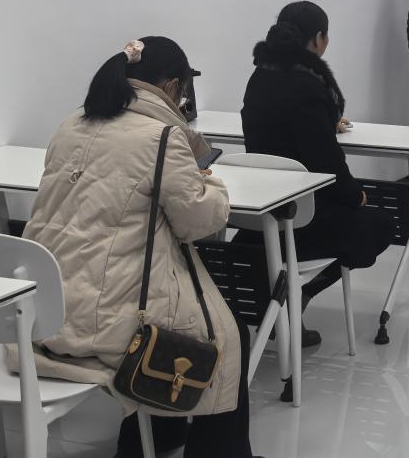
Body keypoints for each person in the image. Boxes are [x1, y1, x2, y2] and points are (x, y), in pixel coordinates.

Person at [23, 37, 258, 458]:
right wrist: (211, 181)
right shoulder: (162, 137)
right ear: (171, 86)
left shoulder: (72, 123)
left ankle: (155, 437)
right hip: (108, 321)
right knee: (226, 334)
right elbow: (199, 223)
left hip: (44, 312)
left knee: (157, 299)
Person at [239, 1, 395, 344]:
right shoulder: (309, 85)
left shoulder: (259, 76)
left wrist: (326, 121)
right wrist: (355, 194)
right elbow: (325, 160)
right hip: (303, 216)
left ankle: (283, 300)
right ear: (319, 38)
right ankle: (297, 296)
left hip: (261, 210)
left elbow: (284, 124)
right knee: (380, 225)